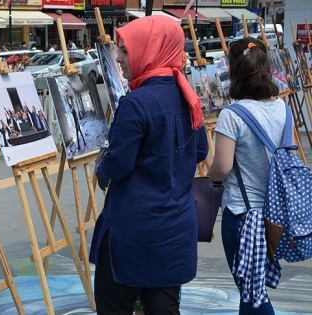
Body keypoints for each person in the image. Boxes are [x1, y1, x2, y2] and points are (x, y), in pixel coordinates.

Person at [89, 16, 208, 314]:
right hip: (174, 229)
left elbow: (117, 165)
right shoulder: (188, 96)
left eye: (126, 50)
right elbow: (201, 150)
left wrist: (100, 166)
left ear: (151, 49)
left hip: (134, 233)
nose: (118, 57)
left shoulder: (137, 102)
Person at [208, 37, 285, 314]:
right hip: (273, 213)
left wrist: (207, 175)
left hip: (242, 214)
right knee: (252, 291)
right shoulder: (280, 107)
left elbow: (222, 168)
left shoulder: (233, 115)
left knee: (253, 295)